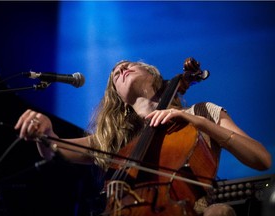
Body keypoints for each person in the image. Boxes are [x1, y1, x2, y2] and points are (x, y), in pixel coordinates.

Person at [14, 59, 271, 216]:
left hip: (188, 210)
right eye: (115, 73)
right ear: (119, 99)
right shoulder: (116, 139)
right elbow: (57, 150)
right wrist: (45, 134)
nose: (121, 68)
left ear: (155, 77)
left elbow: (261, 159)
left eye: (129, 65)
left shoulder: (201, 112)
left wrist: (198, 122)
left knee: (220, 212)